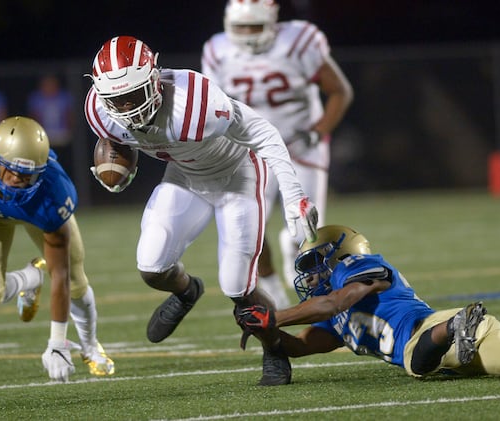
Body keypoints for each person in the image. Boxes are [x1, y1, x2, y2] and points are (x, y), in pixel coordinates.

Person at [84, 35, 318, 386]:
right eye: (117, 99)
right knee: (151, 266)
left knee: (238, 286)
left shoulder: (195, 102)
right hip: (184, 178)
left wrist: (293, 195)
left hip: (237, 175)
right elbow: (118, 141)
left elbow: (264, 133)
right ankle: (187, 290)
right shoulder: (100, 112)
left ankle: (274, 349)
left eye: (133, 94)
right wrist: (118, 166)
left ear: (154, 78)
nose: (127, 107)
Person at [235, 225, 500, 384]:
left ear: (338, 253)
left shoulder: (354, 267)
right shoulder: (334, 320)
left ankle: (454, 325)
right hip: (458, 351)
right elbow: (300, 347)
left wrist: (273, 317)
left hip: (427, 330)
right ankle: (458, 328)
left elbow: (335, 302)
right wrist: (263, 330)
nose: (311, 277)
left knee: (415, 363)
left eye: (316, 262)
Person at [201, 0, 354, 308]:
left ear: (272, 22)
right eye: (239, 27)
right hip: (250, 147)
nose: (246, 35)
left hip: (300, 145)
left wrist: (318, 130)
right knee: (245, 226)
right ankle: (272, 286)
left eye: (254, 27)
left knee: (307, 232)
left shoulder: (298, 41)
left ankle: (292, 246)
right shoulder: (217, 50)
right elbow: (213, 104)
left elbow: (340, 91)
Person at [0, 116, 114, 382]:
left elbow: (60, 273)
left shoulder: (53, 192)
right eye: (8, 170)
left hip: (33, 210)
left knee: (76, 281)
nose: (15, 181)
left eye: (25, 175)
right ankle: (30, 277)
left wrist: (57, 342)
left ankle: (90, 347)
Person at [27, 75, 75, 176]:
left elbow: (69, 116)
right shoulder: (37, 99)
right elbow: (35, 118)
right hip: (45, 137)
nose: (49, 87)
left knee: (64, 163)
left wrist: (69, 131)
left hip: (62, 136)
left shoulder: (63, 97)